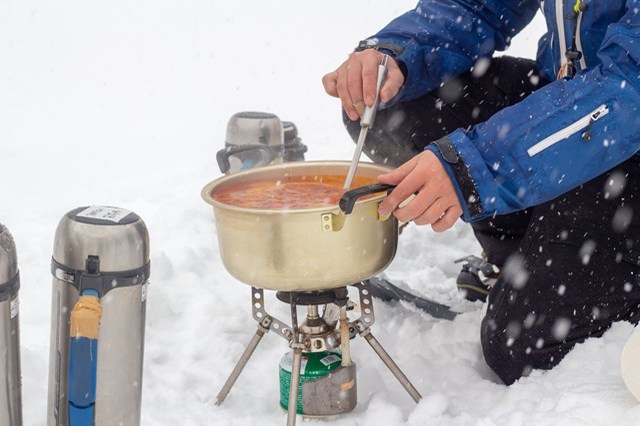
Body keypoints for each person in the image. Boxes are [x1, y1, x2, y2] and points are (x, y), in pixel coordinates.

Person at [322, 0, 640, 385]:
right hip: (570, 107)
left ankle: (609, 280)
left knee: (522, 343)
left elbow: (630, 85)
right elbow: (474, 6)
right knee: (386, 106)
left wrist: (478, 167)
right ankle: (527, 253)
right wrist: (395, 55)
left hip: (626, 136)